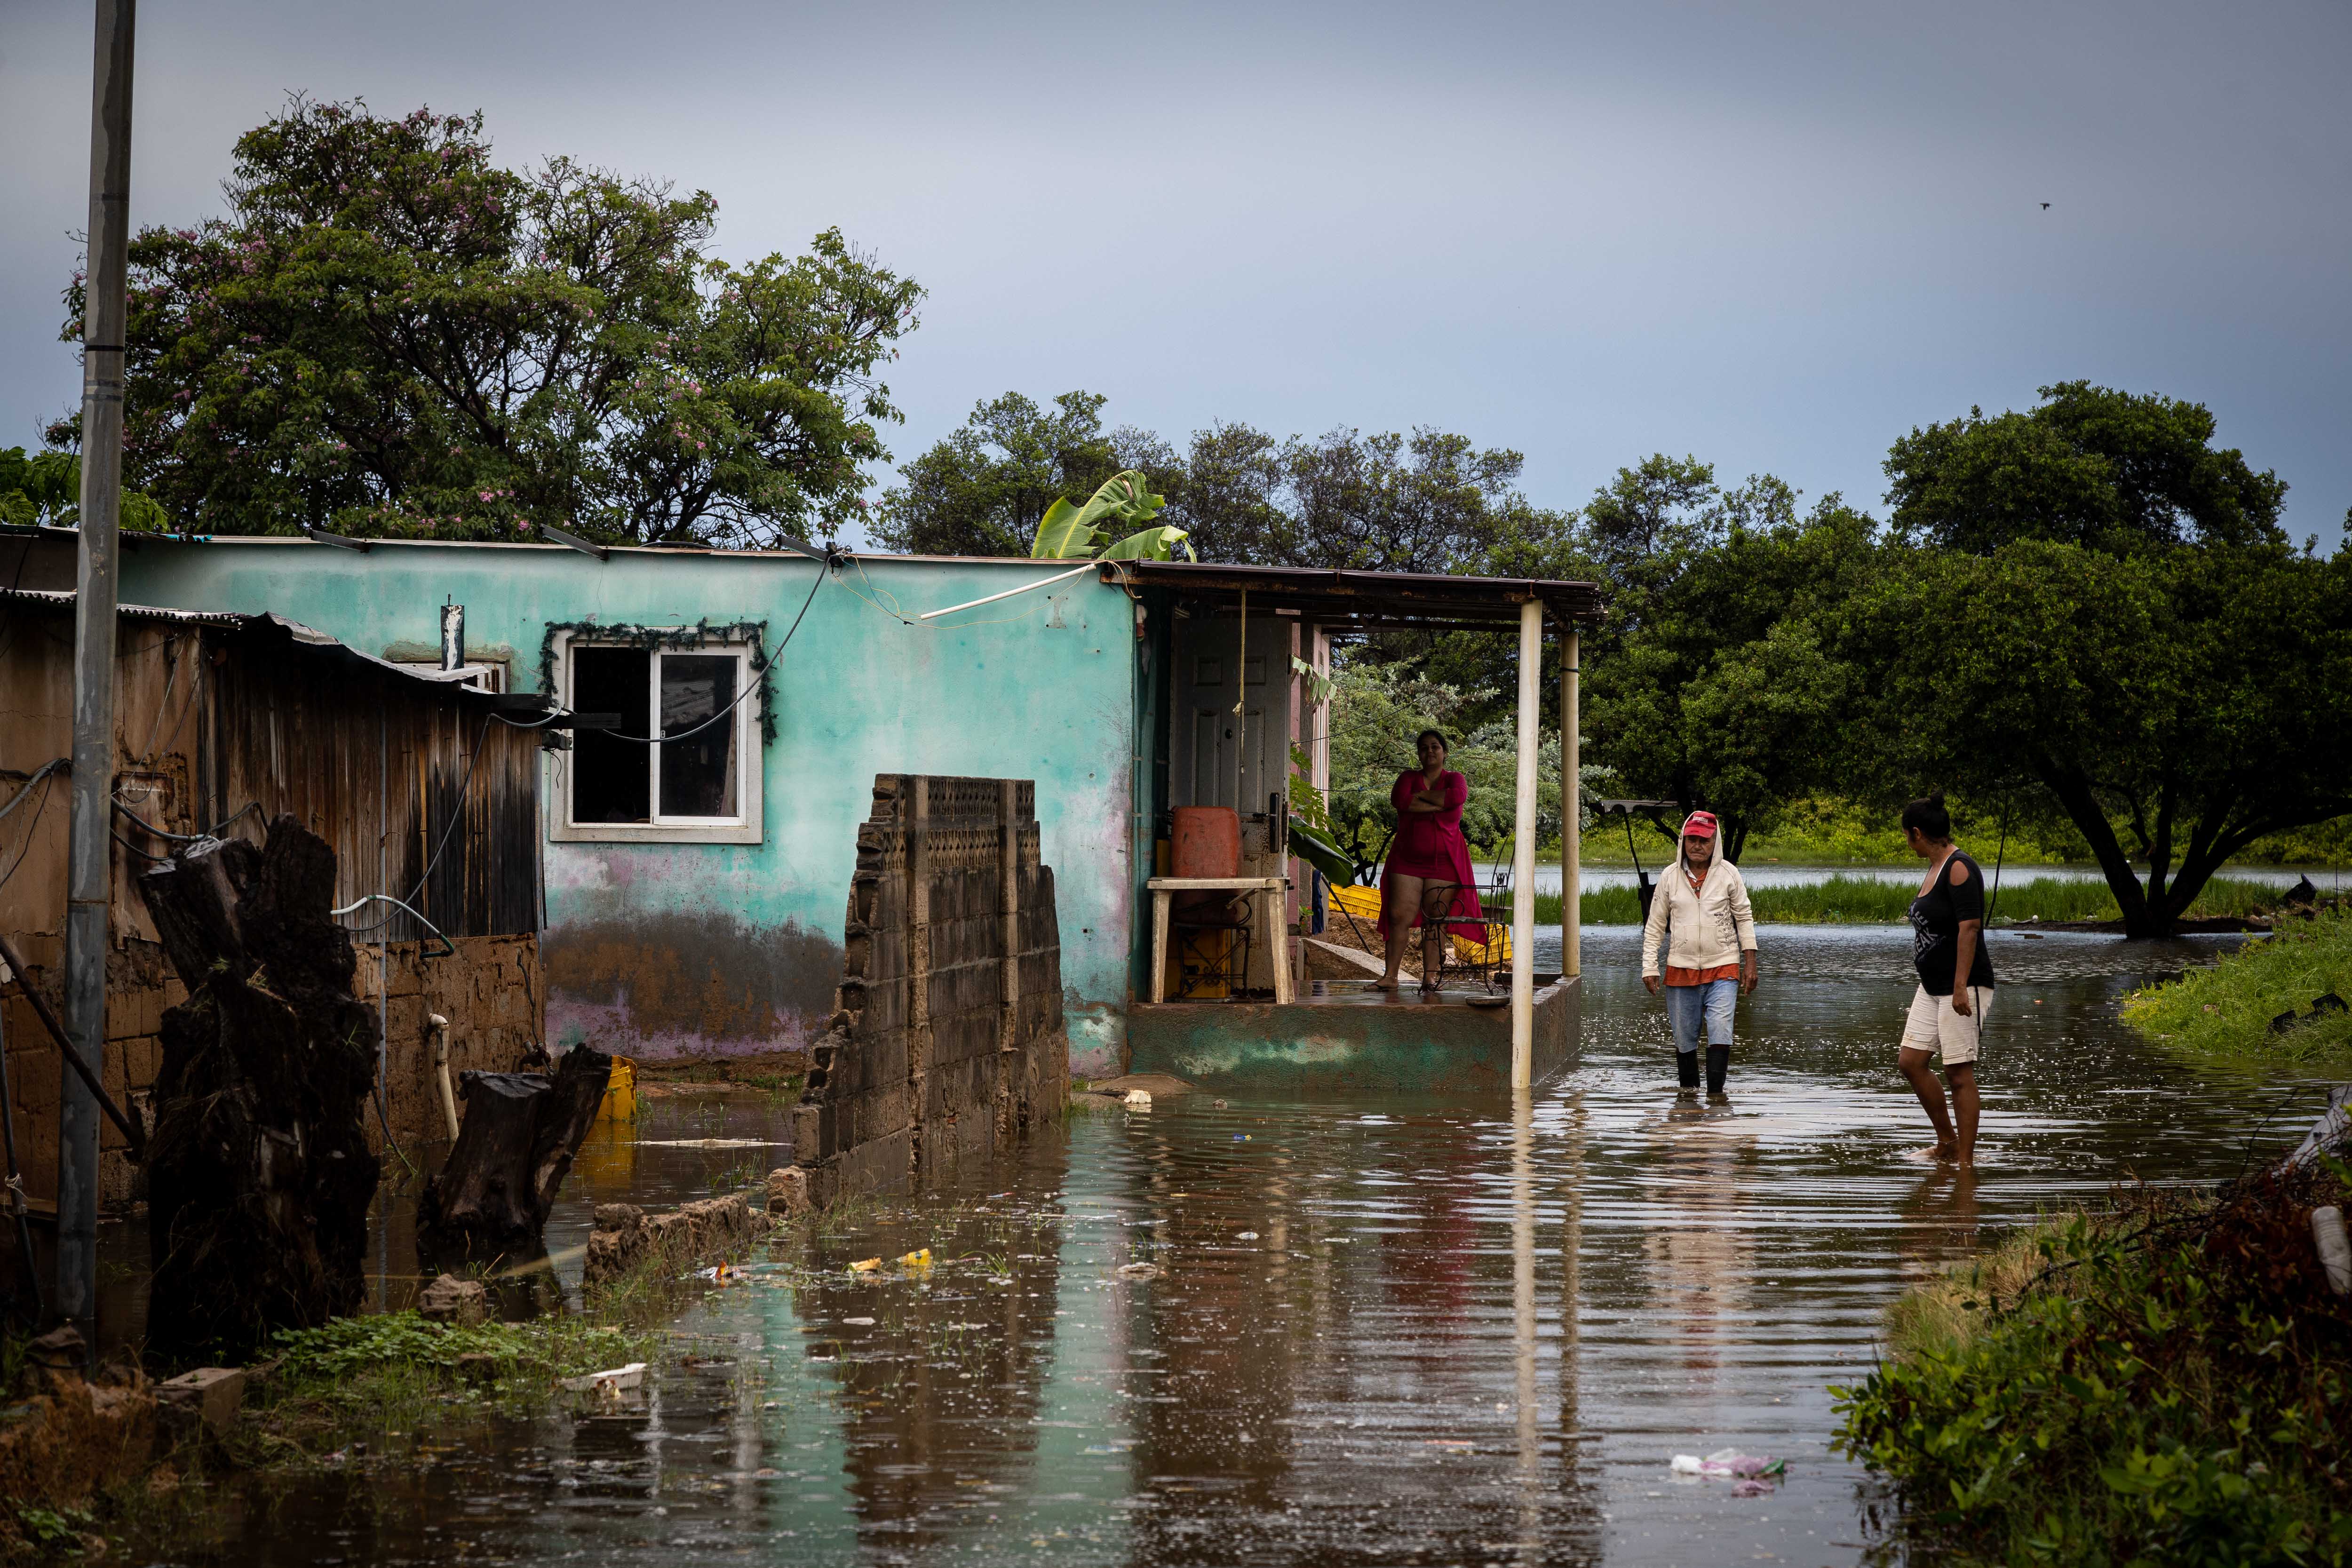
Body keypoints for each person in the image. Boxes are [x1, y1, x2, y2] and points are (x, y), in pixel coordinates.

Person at [1897, 793, 1995, 1165]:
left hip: (1963, 987)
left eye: (1907, 834)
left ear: (1917, 833)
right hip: (1932, 986)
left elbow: (1969, 928)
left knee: (1958, 1072)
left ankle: (1966, 1164)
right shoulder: (1937, 866)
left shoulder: (1959, 867)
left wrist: (1959, 987)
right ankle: (1947, 1143)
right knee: (1911, 1061)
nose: (1907, 841)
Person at [1640, 811, 1757, 1095]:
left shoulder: (1729, 874)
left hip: (1724, 966)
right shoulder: (1670, 877)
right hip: (1681, 967)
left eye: (1704, 840)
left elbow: (1744, 917)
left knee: (1720, 1030)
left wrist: (1750, 962)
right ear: (1683, 841)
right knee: (1684, 1039)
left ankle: (1716, 1099)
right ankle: (1689, 1106)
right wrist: (1649, 966)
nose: (1697, 846)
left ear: (1714, 842)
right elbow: (1655, 925)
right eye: (1692, 839)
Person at [1377, 729, 1484, 994]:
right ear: (1419, 754)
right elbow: (1401, 801)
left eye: (1435, 747)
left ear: (1445, 752)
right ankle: (1390, 976)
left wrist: (1420, 799)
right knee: (1398, 916)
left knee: (1435, 919)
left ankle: (1430, 978)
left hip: (1445, 860)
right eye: (1424, 748)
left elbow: (1456, 798)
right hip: (1407, 859)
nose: (1430, 752)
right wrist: (1439, 804)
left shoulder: (1455, 778)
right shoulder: (1407, 778)